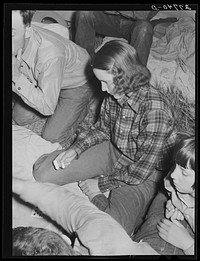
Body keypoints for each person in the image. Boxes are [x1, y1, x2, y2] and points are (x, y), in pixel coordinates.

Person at [32, 40, 177, 237]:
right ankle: (92, 177)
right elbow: (102, 129)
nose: (102, 89)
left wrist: (99, 187)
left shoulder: (155, 110)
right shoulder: (114, 93)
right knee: (43, 173)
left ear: (126, 77)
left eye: (106, 82)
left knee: (115, 227)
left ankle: (96, 189)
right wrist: (76, 149)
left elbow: (140, 171)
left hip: (146, 172)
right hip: (113, 150)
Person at [12, 10, 102, 147]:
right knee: (19, 117)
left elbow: (47, 107)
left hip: (79, 83)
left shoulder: (49, 55)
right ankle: (54, 95)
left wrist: (17, 78)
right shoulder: (21, 35)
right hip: (45, 78)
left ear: (28, 31)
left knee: (51, 136)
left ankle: (83, 107)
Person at [12, 177, 159, 256]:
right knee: (161, 212)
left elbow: (63, 205)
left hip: (110, 236)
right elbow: (69, 206)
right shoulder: (109, 243)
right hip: (155, 247)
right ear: (63, 240)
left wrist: (20, 186)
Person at [132, 133, 195, 255]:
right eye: (175, 166)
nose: (173, 175)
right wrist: (174, 204)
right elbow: (168, 183)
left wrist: (189, 245)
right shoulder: (175, 182)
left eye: (184, 173)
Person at [74, 11, 178, 66]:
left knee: (144, 28)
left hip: (133, 26)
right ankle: (84, 64)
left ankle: (135, 77)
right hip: (110, 22)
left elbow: (144, 14)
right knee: (84, 12)